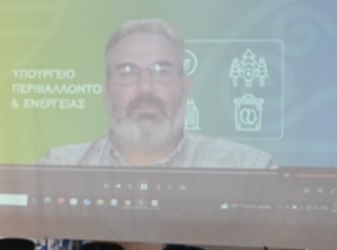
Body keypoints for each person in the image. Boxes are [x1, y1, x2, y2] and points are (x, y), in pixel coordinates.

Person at [37, 19, 276, 169]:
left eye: (162, 71)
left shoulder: (249, 167)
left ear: (185, 87)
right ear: (106, 91)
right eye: (127, 72)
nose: (145, 88)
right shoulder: (59, 166)